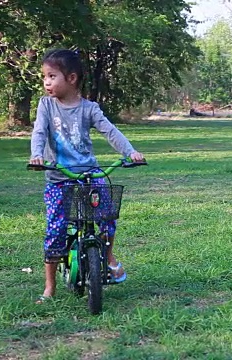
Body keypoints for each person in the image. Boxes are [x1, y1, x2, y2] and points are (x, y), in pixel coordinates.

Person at [29, 49, 145, 304]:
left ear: (71, 78)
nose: (46, 82)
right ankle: (49, 287)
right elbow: (39, 132)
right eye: (44, 77)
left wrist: (131, 152)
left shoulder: (89, 108)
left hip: (89, 174)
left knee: (107, 214)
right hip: (60, 177)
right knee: (55, 230)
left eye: (52, 76)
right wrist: (37, 155)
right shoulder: (46, 106)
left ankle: (109, 255)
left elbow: (110, 131)